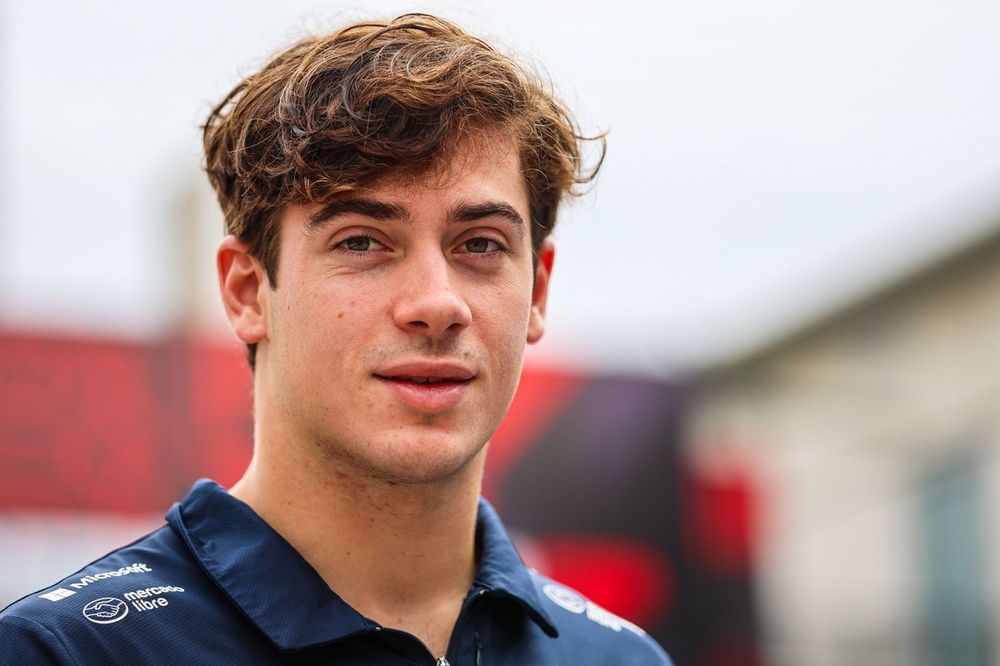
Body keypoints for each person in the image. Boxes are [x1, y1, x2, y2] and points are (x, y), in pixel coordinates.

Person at [0, 14, 672, 665]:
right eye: (361, 242)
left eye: (480, 244)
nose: (437, 303)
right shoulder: (65, 652)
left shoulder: (621, 660)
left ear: (537, 292)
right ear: (246, 292)